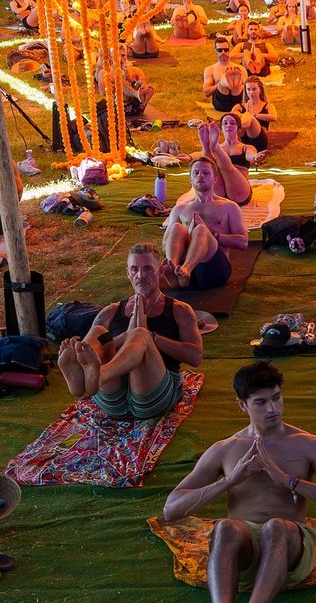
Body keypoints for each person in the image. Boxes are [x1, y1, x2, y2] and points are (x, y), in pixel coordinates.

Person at [163, 362, 316, 603]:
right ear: (242, 405)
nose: (272, 409)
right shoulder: (226, 449)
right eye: (261, 402)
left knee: (275, 527)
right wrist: (229, 481)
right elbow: (172, 509)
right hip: (244, 549)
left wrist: (289, 481)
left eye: (276, 398)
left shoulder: (308, 444)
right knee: (226, 528)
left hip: (290, 543)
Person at [56, 243, 203, 420]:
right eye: (134, 269)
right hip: (113, 399)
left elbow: (195, 357)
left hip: (152, 397)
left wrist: (152, 339)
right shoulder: (110, 312)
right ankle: (80, 376)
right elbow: (100, 348)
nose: (140, 275)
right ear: (128, 273)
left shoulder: (179, 310)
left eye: (148, 269)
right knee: (98, 332)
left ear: (160, 271)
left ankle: (101, 374)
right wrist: (123, 337)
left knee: (140, 334)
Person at [161, 157, 249, 291]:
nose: (200, 176)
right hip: (184, 271)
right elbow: (165, 242)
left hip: (214, 270)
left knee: (201, 230)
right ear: (190, 178)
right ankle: (172, 268)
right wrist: (188, 235)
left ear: (215, 179)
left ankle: (187, 269)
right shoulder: (180, 208)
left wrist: (212, 234)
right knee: (177, 227)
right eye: (196, 173)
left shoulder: (229, 207)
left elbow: (243, 243)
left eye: (206, 173)